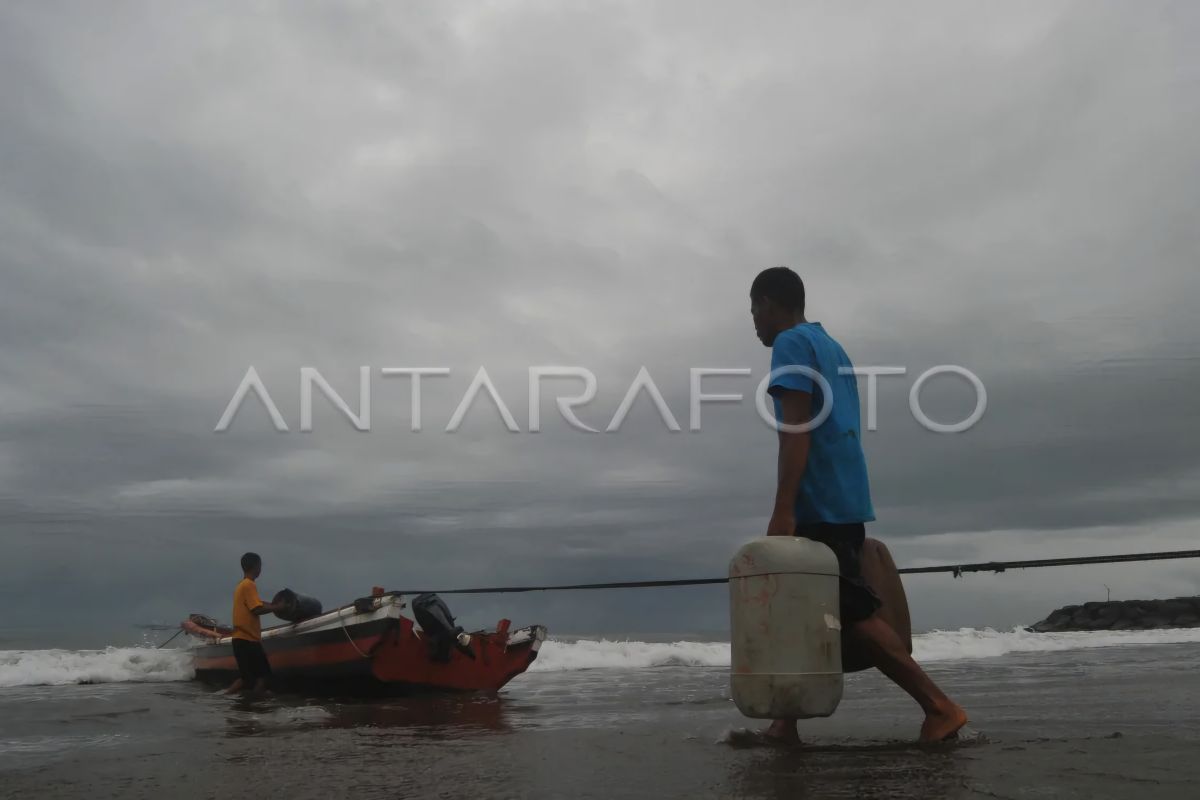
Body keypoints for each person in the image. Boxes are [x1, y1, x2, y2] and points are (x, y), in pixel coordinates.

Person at [749, 266, 968, 743]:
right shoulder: (832, 346)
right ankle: (784, 723)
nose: (754, 323)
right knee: (806, 609)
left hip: (820, 498)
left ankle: (939, 707)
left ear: (768, 303)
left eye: (753, 311)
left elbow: (797, 428)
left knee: (848, 610)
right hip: (845, 492)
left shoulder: (790, 343)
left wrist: (784, 508)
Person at [224, 552, 284, 694]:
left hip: (240, 639)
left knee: (247, 679)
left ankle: (223, 698)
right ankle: (255, 704)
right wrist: (278, 607)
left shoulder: (241, 585)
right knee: (264, 677)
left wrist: (273, 605)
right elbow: (256, 608)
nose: (261, 569)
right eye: (260, 565)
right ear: (256, 567)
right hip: (248, 640)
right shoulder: (249, 585)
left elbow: (257, 603)